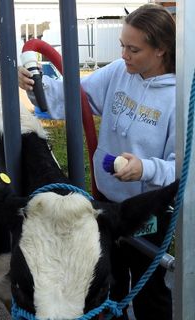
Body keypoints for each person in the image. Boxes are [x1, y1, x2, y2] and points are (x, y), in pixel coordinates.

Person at [18, 4, 176, 320]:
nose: (124, 54)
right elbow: (73, 99)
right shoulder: (120, 71)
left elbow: (183, 167)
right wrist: (37, 87)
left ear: (161, 51)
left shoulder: (181, 96)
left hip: (146, 209)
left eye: (134, 49)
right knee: (107, 284)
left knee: (150, 291)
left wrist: (145, 168)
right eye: (122, 45)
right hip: (105, 203)